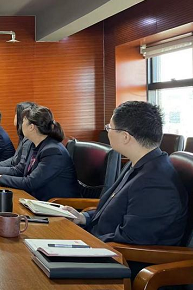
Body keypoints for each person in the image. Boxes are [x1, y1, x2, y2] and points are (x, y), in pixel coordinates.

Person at [64, 101, 188, 247]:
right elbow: (115, 209)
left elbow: (130, 240)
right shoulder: (140, 163)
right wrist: (83, 217)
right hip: (99, 242)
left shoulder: (156, 183)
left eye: (109, 127)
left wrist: (82, 242)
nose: (107, 131)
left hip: (116, 255)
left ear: (125, 137)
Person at [0, 105, 79, 200]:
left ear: (31, 127)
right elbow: (20, 171)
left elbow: (30, 183)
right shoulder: (35, 145)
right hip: (35, 199)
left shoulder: (53, 151)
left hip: (56, 204)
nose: (21, 125)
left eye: (23, 121)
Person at [0, 101, 36, 173]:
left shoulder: (29, 139)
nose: (14, 116)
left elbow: (20, 169)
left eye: (16, 114)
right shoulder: (23, 137)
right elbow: (14, 159)